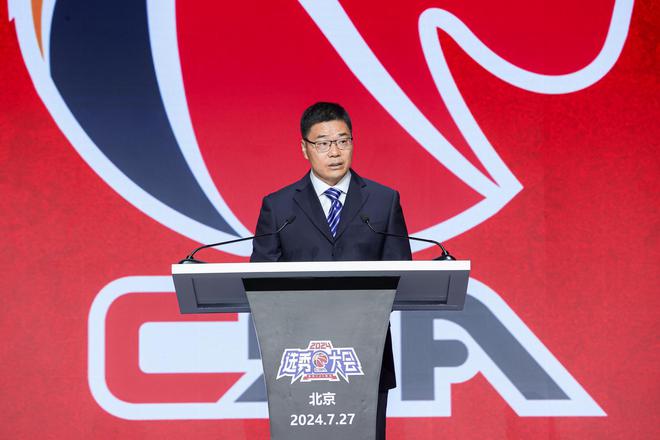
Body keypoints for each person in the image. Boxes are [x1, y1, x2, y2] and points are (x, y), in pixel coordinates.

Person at [251, 101, 412, 440]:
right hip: (297, 356)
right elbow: (261, 282)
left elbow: (401, 274)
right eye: (323, 143)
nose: (335, 152)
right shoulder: (278, 206)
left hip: (366, 352)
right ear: (305, 148)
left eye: (343, 141)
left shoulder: (383, 201)